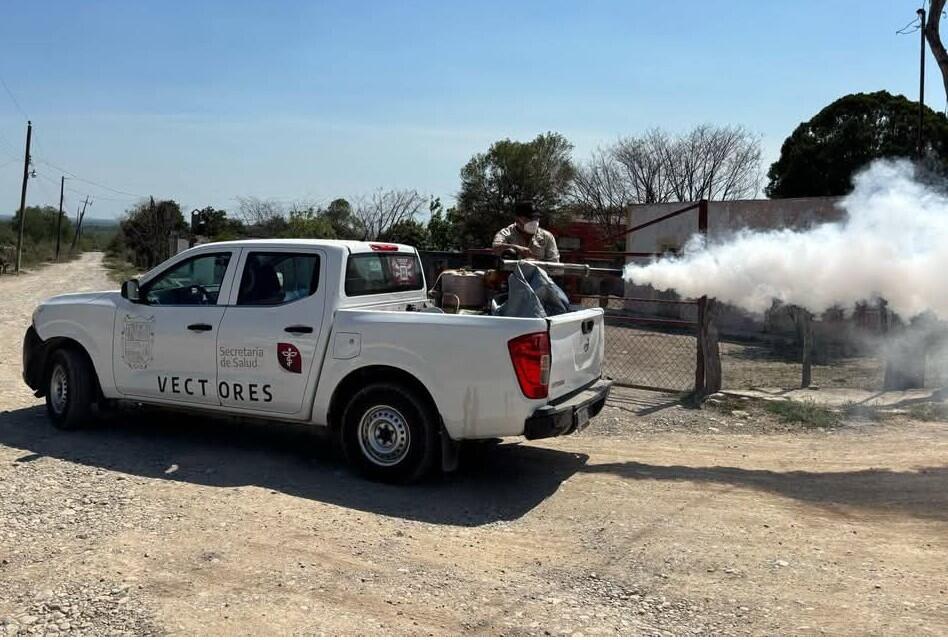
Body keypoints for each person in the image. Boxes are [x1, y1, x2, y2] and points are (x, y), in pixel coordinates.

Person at [492, 201, 560, 262]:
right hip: (511, 274)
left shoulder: (547, 236)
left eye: (536, 218)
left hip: (540, 274)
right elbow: (496, 248)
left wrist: (536, 263)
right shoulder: (506, 233)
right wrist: (516, 248)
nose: (534, 222)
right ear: (517, 219)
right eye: (528, 218)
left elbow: (554, 261)